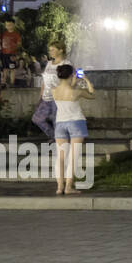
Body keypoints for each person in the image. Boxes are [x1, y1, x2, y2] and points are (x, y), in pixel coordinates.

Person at [52, 64, 94, 195]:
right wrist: (86, 80)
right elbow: (92, 94)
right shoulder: (77, 92)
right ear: (71, 75)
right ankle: (69, 187)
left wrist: (73, 80)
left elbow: (68, 87)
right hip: (76, 122)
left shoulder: (54, 90)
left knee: (61, 157)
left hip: (60, 124)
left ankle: (59, 187)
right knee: (73, 157)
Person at [32, 40, 66, 139]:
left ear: (60, 50)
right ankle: (54, 136)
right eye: (49, 50)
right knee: (37, 119)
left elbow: (71, 80)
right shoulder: (49, 63)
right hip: (46, 97)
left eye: (52, 50)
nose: (50, 52)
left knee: (56, 121)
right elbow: (45, 81)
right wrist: (40, 96)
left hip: (58, 97)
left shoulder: (66, 63)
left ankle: (60, 142)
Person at [1, 20, 21, 87]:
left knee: (12, 69)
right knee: (5, 69)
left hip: (12, 54)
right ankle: (3, 83)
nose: (8, 26)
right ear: (5, 26)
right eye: (7, 25)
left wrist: (16, 54)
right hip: (4, 54)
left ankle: (12, 83)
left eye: (10, 25)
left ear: (13, 25)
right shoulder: (3, 34)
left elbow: (19, 44)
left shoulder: (16, 34)